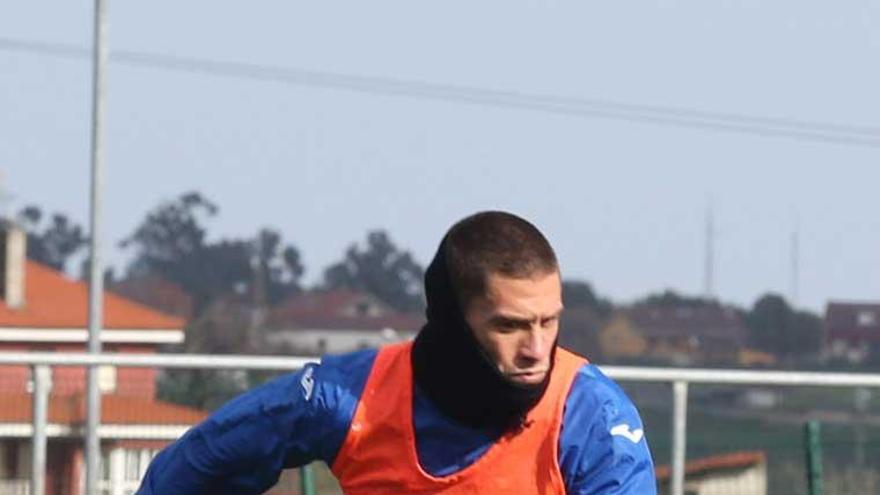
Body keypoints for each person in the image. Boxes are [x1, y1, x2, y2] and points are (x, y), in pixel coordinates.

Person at [137, 211, 656, 494]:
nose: (537, 349)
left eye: (550, 320)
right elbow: (196, 466)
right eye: (510, 326)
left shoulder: (591, 416)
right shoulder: (347, 399)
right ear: (453, 323)